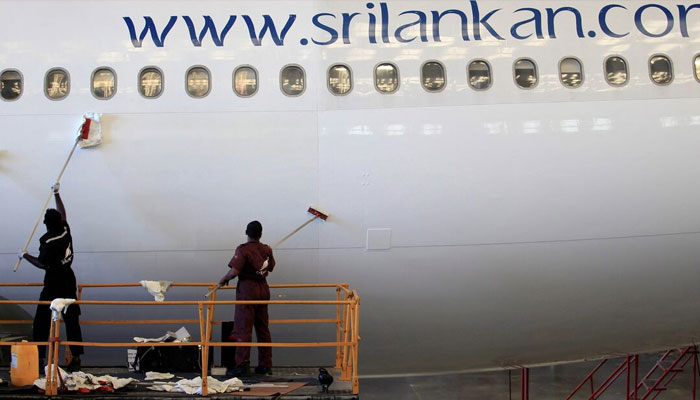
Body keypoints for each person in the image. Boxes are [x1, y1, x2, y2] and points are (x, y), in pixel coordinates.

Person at [20, 183, 83, 372]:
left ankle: (39, 358)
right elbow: (62, 213)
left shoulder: (47, 241)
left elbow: (42, 264)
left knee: (41, 320)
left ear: (47, 224)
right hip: (69, 279)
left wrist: (24, 255)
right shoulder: (65, 229)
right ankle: (76, 357)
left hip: (54, 283)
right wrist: (57, 194)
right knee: (71, 319)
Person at [218, 220, 276, 376]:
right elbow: (271, 267)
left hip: (247, 291)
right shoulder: (266, 249)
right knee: (263, 328)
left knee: (244, 328)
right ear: (261, 234)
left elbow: (235, 271)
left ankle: (242, 365)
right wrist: (267, 253)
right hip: (263, 290)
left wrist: (224, 279)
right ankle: (265, 365)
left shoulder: (243, 250)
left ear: (246, 232)